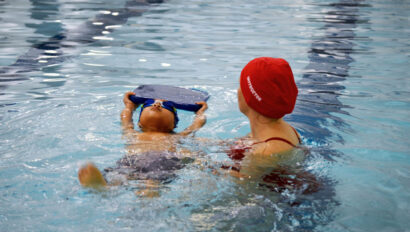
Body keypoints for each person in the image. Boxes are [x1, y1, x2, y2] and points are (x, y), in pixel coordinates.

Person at [78, 91, 208, 196]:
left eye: (165, 107)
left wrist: (200, 112)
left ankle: (151, 189)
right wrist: (129, 106)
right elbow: (125, 118)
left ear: (173, 125)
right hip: (131, 160)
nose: (157, 105)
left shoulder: (177, 136)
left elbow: (197, 124)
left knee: (154, 177)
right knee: (118, 174)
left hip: (163, 158)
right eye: (150, 104)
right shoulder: (132, 133)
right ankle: (104, 188)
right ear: (139, 122)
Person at [221, 57, 319, 194]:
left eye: (241, 85)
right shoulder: (277, 131)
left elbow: (244, 187)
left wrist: (201, 165)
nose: (237, 90)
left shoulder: (265, 151)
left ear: (251, 99)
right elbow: (241, 144)